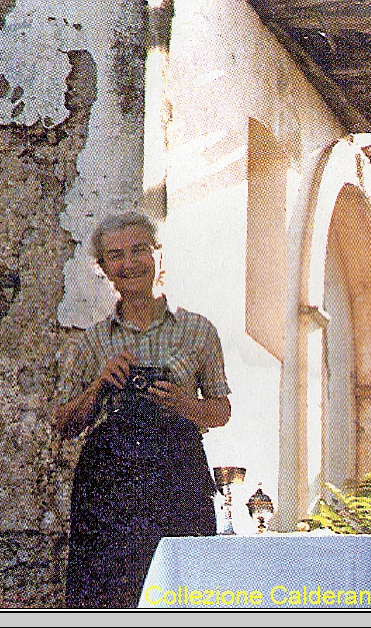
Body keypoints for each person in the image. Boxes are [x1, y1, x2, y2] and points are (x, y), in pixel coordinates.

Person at [52, 212, 231, 608]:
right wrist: (100, 385)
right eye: (116, 255)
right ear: (103, 268)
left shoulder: (198, 331)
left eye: (139, 250)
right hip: (110, 479)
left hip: (177, 473)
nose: (129, 263)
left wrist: (183, 404)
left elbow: (221, 411)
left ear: (157, 256)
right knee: (107, 589)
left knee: (186, 582)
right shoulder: (95, 340)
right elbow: (61, 422)